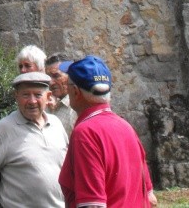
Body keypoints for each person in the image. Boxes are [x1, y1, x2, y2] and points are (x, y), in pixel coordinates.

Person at [58, 55, 158, 208]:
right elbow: (150, 198)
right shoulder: (126, 127)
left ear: (76, 91)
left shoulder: (85, 133)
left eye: (67, 84)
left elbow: (92, 204)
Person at [0, 71, 68, 208]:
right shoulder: (3, 129)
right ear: (16, 97)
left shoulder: (56, 124)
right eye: (25, 95)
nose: (32, 101)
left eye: (37, 95)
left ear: (47, 97)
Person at [45, 53, 77, 136]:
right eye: (47, 77)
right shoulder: (45, 105)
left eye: (56, 76)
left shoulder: (77, 109)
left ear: (70, 76)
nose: (51, 82)